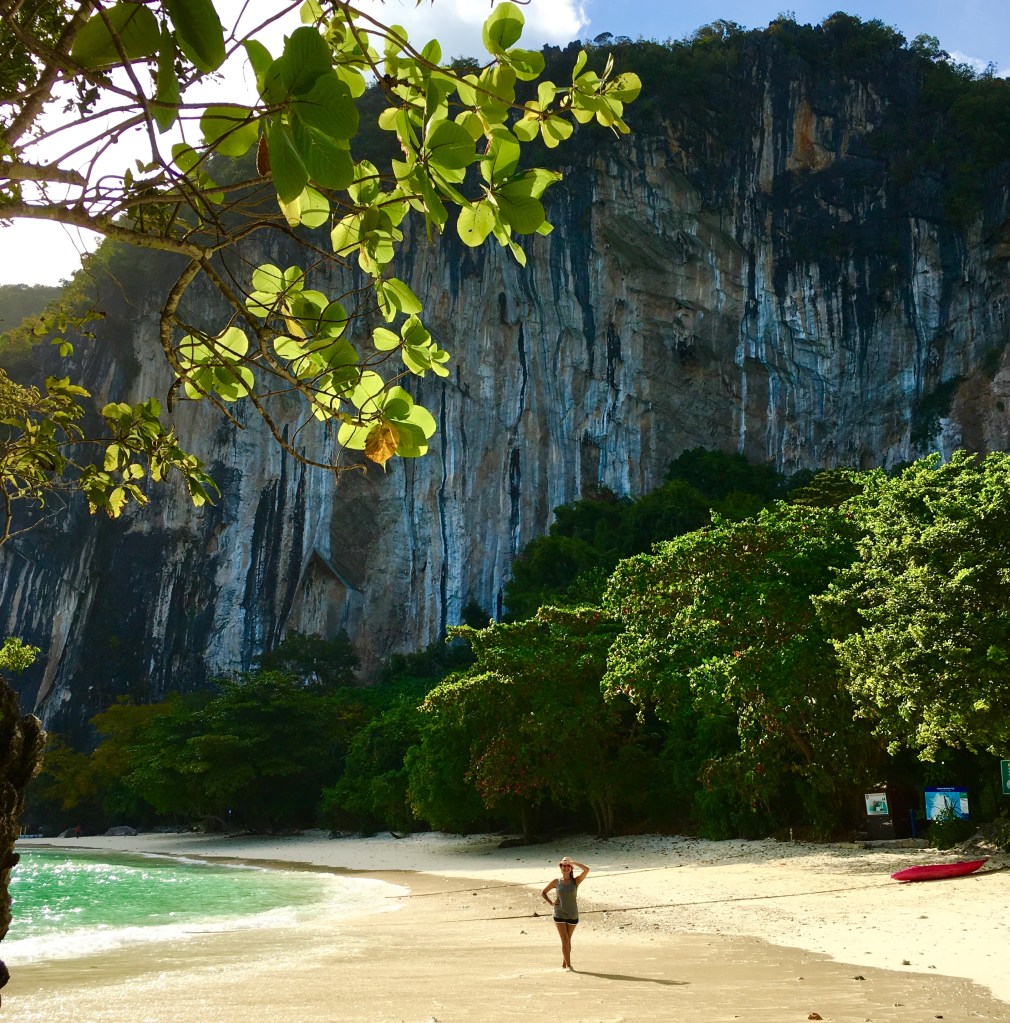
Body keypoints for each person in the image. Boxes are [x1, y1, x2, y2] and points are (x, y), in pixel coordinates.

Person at [541, 855, 589, 970]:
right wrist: (552, 903)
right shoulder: (556, 882)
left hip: (573, 914)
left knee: (568, 940)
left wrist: (573, 862)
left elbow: (586, 870)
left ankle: (564, 964)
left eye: (568, 866)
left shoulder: (575, 881)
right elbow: (543, 892)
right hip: (559, 914)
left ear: (571, 868)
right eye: (564, 865)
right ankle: (569, 966)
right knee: (565, 941)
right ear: (560, 867)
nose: (566, 867)